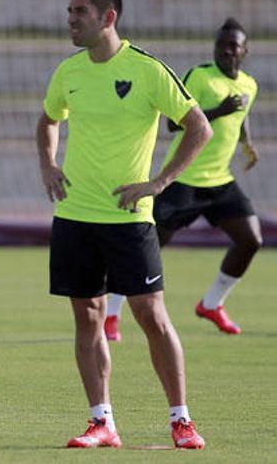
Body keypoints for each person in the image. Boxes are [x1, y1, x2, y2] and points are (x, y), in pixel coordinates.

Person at [37, 0, 211, 449]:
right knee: (87, 317)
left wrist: (158, 183)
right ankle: (102, 422)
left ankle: (181, 420)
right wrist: (49, 165)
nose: (70, 18)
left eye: (80, 11)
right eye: (70, 10)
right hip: (75, 216)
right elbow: (49, 119)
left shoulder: (148, 70)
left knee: (150, 314)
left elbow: (199, 127)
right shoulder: (68, 72)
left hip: (130, 219)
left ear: (108, 17)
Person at [105, 18, 260, 339]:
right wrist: (217, 110)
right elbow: (174, 125)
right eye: (221, 45)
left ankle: (212, 304)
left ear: (245, 51)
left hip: (220, 182)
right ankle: (111, 316)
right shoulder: (201, 76)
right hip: (183, 179)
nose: (227, 51)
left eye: (233, 46)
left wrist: (247, 143)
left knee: (250, 240)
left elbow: (240, 116)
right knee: (145, 247)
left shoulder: (249, 84)